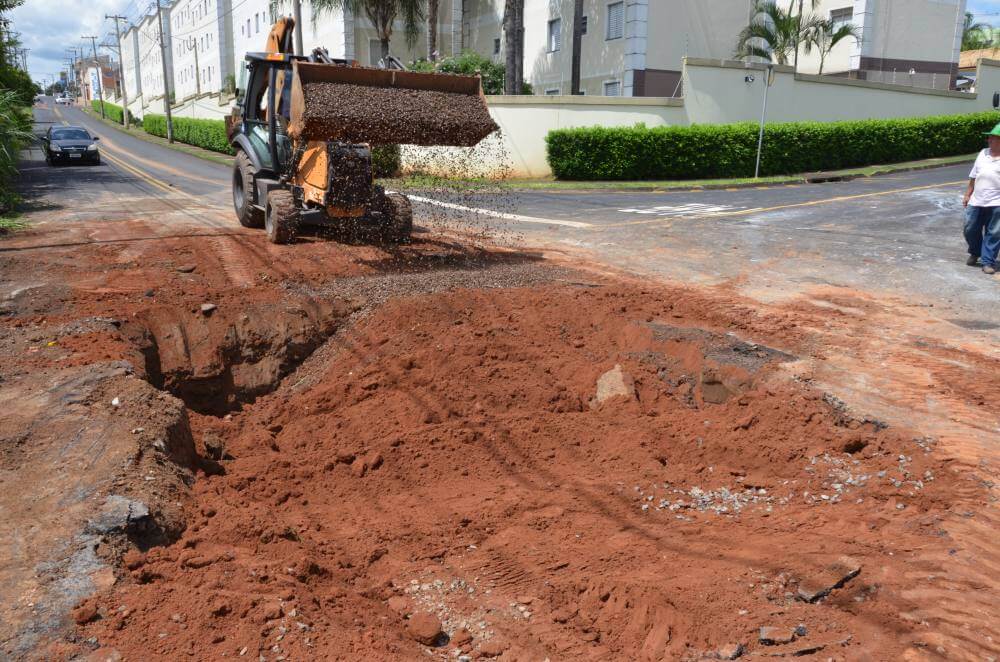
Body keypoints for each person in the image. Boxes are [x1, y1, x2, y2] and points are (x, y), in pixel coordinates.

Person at [963, 123, 1000, 274]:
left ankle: (988, 261)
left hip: (997, 201)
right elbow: (973, 176)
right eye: (989, 137)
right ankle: (975, 251)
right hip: (976, 200)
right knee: (970, 228)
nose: (989, 139)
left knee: (995, 233)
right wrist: (967, 194)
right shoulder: (982, 153)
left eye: (993, 137)